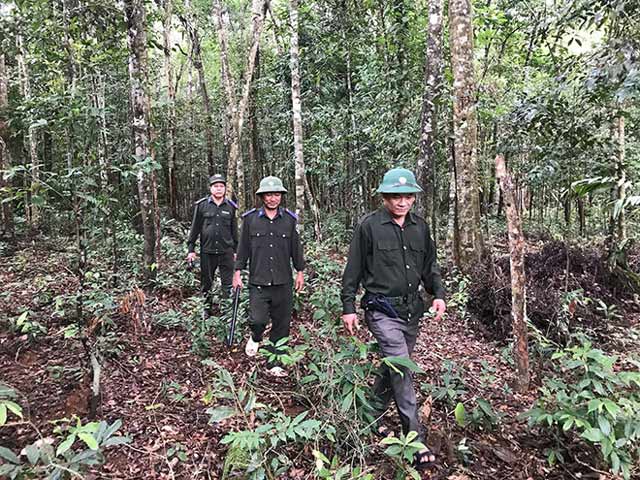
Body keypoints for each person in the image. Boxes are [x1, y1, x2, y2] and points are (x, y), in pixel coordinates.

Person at [340, 167, 446, 469]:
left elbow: (430, 267)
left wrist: (437, 294)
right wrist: (348, 306)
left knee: (393, 368)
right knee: (401, 368)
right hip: (381, 310)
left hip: (412, 310)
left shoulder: (420, 227)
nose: (402, 202)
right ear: (385, 197)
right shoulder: (369, 226)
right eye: (396, 196)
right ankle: (414, 438)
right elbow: (354, 269)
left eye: (407, 196)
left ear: (414, 198)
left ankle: (370, 416)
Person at [233, 176, 305, 377]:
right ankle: (255, 336)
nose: (273, 198)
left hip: (283, 281)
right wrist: (237, 272)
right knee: (258, 319)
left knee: (282, 324)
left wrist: (300, 272)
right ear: (262, 197)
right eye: (269, 195)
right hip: (259, 280)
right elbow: (244, 248)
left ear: (281, 196)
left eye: (276, 194)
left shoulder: (289, 220)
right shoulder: (250, 220)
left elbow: (295, 248)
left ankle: (274, 363)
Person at [187, 174, 238, 310]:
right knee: (206, 283)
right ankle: (206, 311)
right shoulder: (202, 205)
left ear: (225, 189)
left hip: (226, 251)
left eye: (221, 186)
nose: (219, 189)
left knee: (227, 284)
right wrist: (191, 249)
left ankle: (227, 311)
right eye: (216, 186)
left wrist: (236, 251)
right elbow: (195, 228)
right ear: (211, 189)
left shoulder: (231, 206)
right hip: (207, 251)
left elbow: (234, 231)